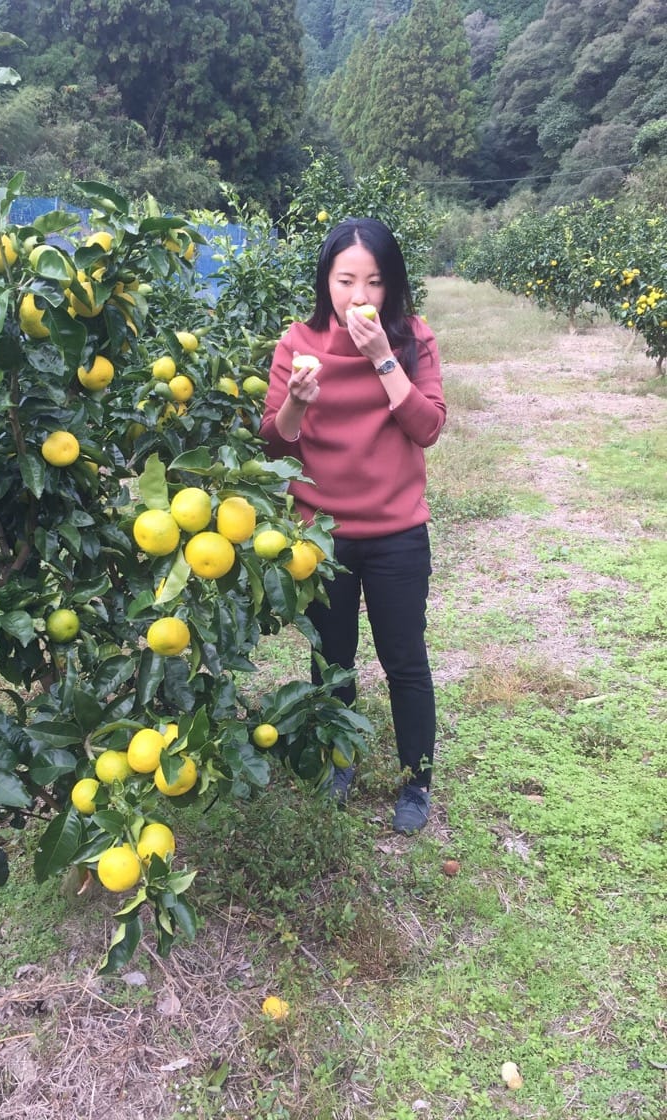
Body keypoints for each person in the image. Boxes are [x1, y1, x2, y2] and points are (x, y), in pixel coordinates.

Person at [259, 217, 446, 833]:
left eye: (373, 281)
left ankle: (415, 780)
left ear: (391, 285)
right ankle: (339, 760)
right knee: (332, 660)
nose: (359, 296)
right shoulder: (297, 343)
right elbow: (276, 447)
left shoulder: (412, 339)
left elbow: (427, 427)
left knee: (404, 659)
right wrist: (297, 402)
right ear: (326, 281)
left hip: (396, 533)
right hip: (322, 537)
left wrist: (383, 358)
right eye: (346, 280)